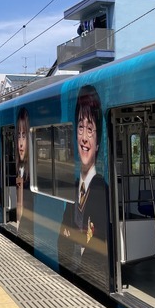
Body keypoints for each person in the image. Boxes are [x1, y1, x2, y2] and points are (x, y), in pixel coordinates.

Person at [57, 85, 108, 287]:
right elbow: (62, 241)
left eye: (90, 129)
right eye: (80, 127)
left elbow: (99, 250)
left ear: (97, 142)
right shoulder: (74, 187)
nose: (84, 137)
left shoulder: (101, 190)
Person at [15, 108, 34, 240]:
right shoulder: (19, 169)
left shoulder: (33, 174)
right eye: (19, 136)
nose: (21, 143)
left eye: (25, 136)